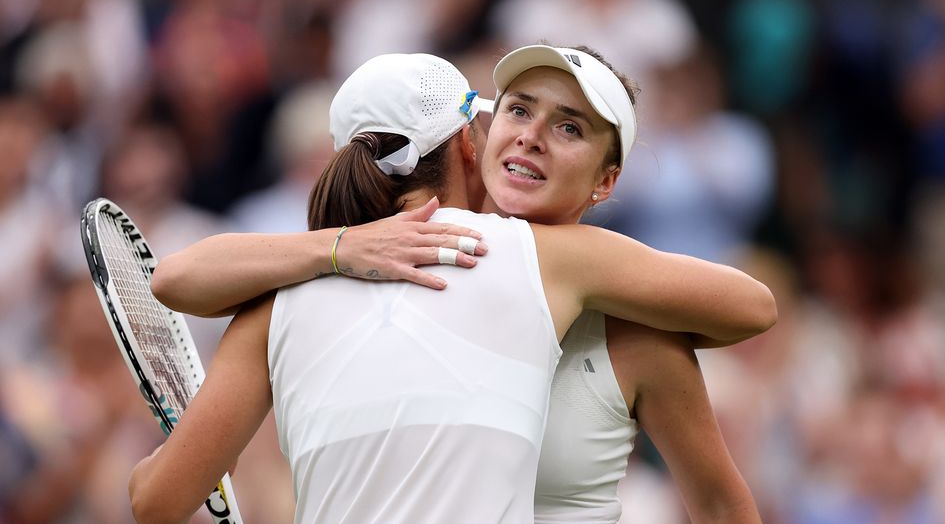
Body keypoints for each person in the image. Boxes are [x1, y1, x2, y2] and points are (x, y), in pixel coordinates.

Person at [131, 50, 775, 523]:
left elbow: (155, 499)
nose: (529, 134)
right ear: (472, 144)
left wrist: (335, 248)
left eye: (570, 127)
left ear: (607, 180)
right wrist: (341, 247)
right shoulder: (541, 256)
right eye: (517, 111)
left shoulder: (275, 299)